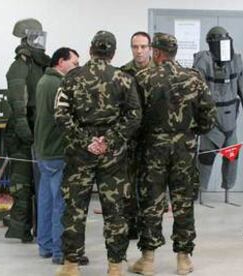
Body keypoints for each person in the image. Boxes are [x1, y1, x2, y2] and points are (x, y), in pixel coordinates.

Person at [54, 31, 142, 276]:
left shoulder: (72, 78)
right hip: (113, 156)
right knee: (115, 211)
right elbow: (135, 116)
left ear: (91, 49)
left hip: (80, 155)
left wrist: (86, 141)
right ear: (113, 53)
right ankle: (115, 267)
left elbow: (61, 115)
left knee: (75, 210)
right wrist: (109, 140)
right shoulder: (124, 79)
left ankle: (70, 266)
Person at [130, 32, 216, 275]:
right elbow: (209, 117)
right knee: (183, 202)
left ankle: (147, 260)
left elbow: (133, 118)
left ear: (156, 52)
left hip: (152, 150)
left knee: (152, 203)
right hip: (184, 150)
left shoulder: (143, 78)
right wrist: (190, 132)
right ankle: (183, 259)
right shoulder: (194, 78)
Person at [34, 47, 83, 264]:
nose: (77, 67)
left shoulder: (44, 81)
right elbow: (66, 118)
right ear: (61, 62)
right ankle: (60, 251)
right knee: (60, 204)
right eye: (74, 63)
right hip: (56, 152)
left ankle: (44, 246)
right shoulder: (59, 84)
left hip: (43, 151)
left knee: (45, 200)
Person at [4, 18, 50, 242]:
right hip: (23, 135)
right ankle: (21, 229)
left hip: (39, 132)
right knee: (22, 185)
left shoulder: (44, 65)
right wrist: (26, 133)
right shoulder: (19, 66)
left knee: (43, 186)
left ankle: (42, 230)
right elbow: (18, 102)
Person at [193, 26, 243, 192]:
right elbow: (196, 88)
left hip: (230, 117)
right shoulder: (203, 60)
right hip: (210, 117)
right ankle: (200, 188)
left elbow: (242, 83)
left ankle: (228, 185)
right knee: (206, 156)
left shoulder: (236, 60)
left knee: (232, 155)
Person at [120, 31, 155, 240]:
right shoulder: (124, 72)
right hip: (130, 138)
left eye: (143, 46)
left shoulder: (159, 71)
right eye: (135, 47)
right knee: (128, 183)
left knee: (151, 183)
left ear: (150, 48)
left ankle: (148, 225)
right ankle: (131, 223)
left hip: (153, 137)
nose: (139, 51)